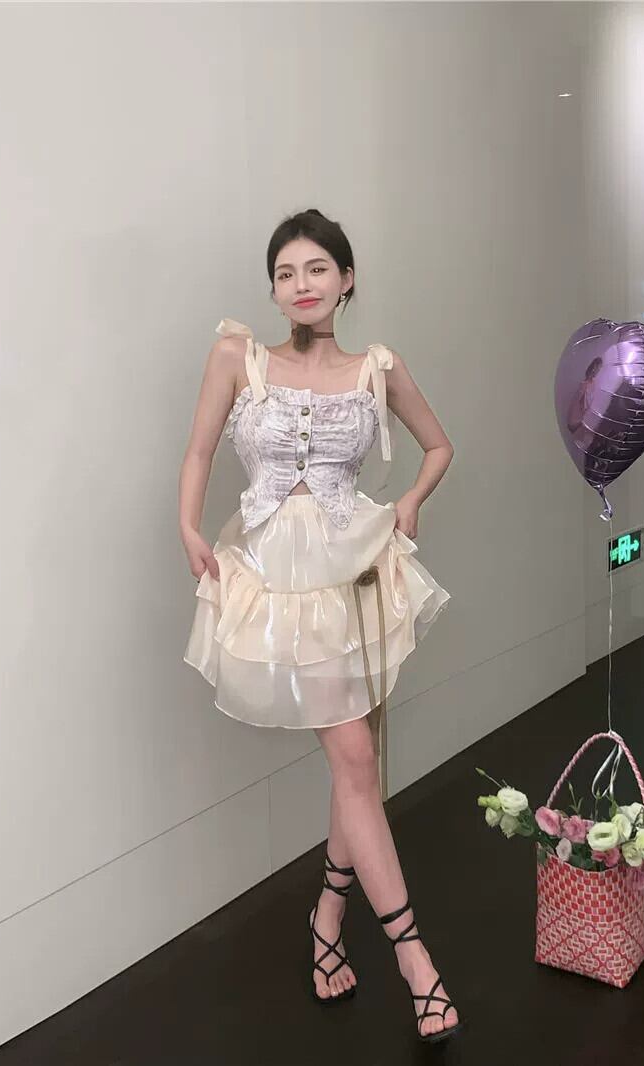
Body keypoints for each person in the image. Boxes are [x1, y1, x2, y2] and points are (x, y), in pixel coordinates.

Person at [179, 209, 462, 1043]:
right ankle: (415, 959)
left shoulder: (377, 368)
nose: (299, 285)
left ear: (346, 279)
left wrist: (409, 502)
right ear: (272, 289)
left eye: (315, 269)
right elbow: (199, 451)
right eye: (284, 273)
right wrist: (189, 527)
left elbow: (439, 447)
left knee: (356, 763)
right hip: (275, 578)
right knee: (357, 760)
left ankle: (329, 918)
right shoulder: (238, 357)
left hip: (357, 573)